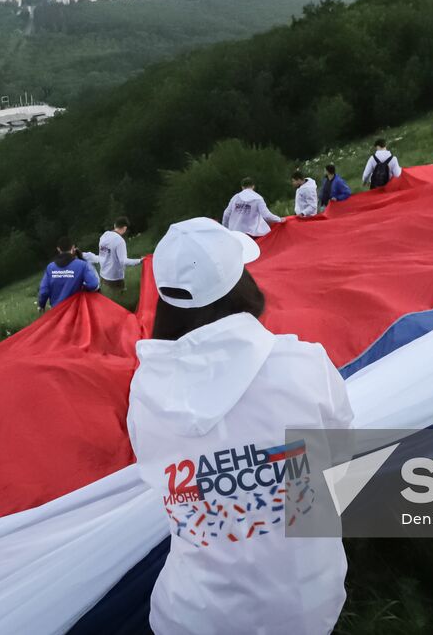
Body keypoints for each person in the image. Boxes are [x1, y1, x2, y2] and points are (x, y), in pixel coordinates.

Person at [128, 217, 354, 635]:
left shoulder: (146, 392)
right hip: (309, 602)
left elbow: (159, 480)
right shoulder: (303, 364)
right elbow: (339, 461)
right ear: (241, 284)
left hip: (196, 617)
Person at [82, 217, 144, 296]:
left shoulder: (104, 236)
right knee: (121, 298)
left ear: (115, 225)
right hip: (115, 278)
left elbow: (103, 255)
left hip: (103, 276)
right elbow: (123, 261)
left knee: (106, 298)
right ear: (125, 228)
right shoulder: (120, 241)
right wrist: (140, 260)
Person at [37, 236, 100, 311]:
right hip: (77, 308)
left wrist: (41, 305)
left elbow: (44, 291)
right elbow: (93, 285)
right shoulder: (81, 265)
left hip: (58, 311)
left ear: (58, 249)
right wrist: (83, 288)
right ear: (72, 247)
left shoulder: (50, 268)